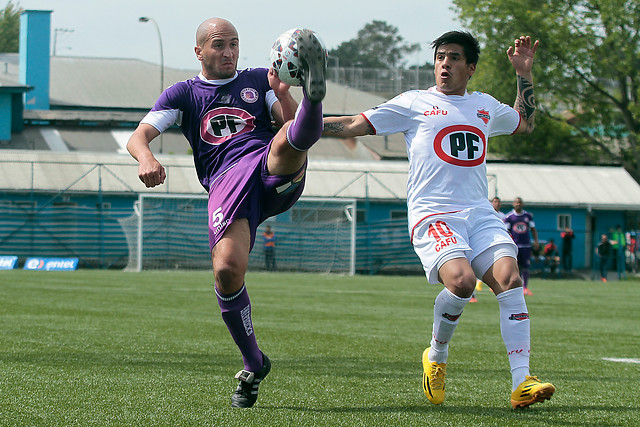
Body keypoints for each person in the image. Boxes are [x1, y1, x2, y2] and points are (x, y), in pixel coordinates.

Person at [322, 31, 554, 408]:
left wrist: (523, 73)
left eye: (454, 58)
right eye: (440, 57)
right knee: (462, 282)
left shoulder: (485, 107)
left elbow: (525, 123)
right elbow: (353, 124)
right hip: (433, 214)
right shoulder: (415, 103)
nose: (445, 64)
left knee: (510, 279)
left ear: (471, 67)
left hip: (479, 213)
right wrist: (298, 128)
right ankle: (436, 356)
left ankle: (521, 381)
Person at [126, 18, 327, 408]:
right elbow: (139, 135)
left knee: (288, 138)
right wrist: (146, 157)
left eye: (234, 44)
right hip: (226, 185)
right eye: (219, 45)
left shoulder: (256, 79)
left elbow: (289, 125)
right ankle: (254, 361)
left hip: (269, 168)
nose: (229, 52)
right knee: (226, 269)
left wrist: (285, 94)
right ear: (199, 51)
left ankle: (316, 95)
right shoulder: (183, 94)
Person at [505, 197, 539, 295]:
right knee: (515, 268)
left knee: (526, 267)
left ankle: (525, 287)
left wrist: (536, 241)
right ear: (513, 204)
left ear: (523, 204)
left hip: (526, 245)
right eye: (516, 202)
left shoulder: (528, 216)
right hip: (515, 246)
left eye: (520, 202)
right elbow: (506, 232)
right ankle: (515, 287)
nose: (518, 204)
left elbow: (533, 229)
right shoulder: (509, 217)